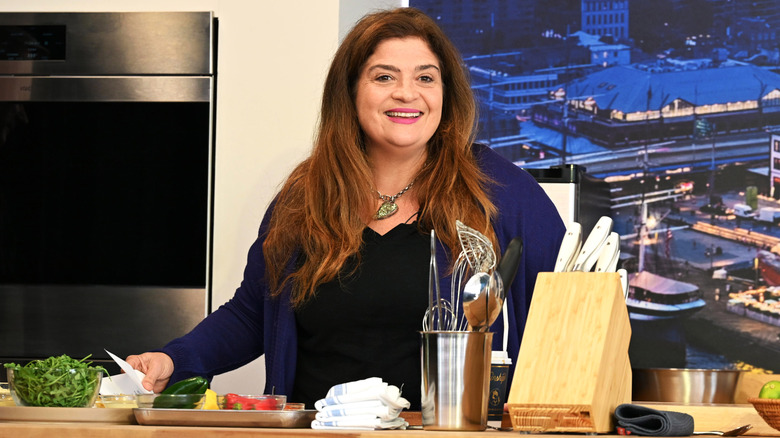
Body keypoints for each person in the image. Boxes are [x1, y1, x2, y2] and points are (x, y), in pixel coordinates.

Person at [126, 7, 565, 410]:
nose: (406, 94)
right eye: (384, 77)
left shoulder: (500, 190)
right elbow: (253, 312)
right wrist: (174, 358)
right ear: (351, 91)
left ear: (446, 94)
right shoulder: (305, 194)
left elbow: (568, 307)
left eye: (426, 78)